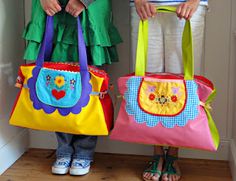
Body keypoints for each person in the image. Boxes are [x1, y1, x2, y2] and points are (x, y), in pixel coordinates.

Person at [23, 0, 122, 176]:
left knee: (89, 86)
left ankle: (84, 151)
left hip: (90, 10)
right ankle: (64, 149)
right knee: (57, 81)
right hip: (52, 8)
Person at [130, 0, 208, 180]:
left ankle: (173, 154)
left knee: (181, 86)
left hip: (188, 6)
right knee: (148, 84)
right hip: (144, 6)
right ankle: (157, 153)